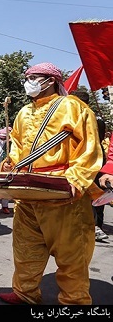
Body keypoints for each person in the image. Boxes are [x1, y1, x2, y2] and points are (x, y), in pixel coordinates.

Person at [0, 62, 103, 305]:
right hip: (28, 192)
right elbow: (17, 146)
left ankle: (74, 301)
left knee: (72, 255)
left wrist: (76, 179)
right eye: (27, 77)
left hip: (62, 192)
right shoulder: (23, 112)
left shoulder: (72, 106)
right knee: (25, 249)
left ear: (51, 79)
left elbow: (89, 147)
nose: (29, 81)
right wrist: (11, 163)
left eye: (34, 77)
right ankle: (25, 293)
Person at [71, 89, 109, 242]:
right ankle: (97, 224)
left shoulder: (82, 117)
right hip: (100, 158)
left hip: (86, 158)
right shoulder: (97, 117)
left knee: (86, 190)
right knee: (99, 191)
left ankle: (90, 225)